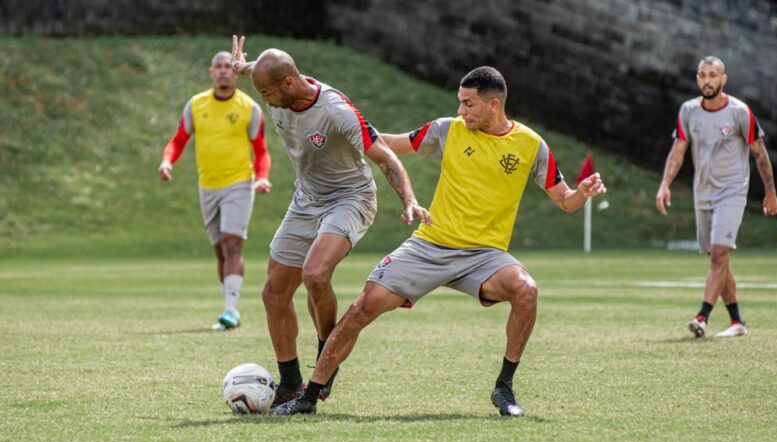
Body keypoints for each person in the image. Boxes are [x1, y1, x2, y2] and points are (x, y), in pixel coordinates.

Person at [271, 66, 608, 417]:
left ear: (494, 105)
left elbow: (565, 201)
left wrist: (581, 194)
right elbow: (391, 143)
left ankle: (504, 387)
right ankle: (310, 395)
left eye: (468, 104)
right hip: (429, 245)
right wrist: (345, 129)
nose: (461, 111)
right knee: (361, 310)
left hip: (484, 256)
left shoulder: (531, 145)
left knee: (527, 290)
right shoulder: (447, 129)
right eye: (460, 103)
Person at [230, 36, 431, 406]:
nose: (265, 100)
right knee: (273, 293)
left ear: (289, 83)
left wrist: (410, 200)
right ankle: (290, 383)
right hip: (306, 199)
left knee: (315, 274)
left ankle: (327, 358)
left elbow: (385, 158)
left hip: (350, 198)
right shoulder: (274, 82)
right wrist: (242, 66)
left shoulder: (336, 110)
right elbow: (255, 70)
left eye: (267, 92)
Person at [655, 56, 777, 338]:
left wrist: (770, 192)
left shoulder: (740, 112)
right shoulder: (688, 111)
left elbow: (760, 154)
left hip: (733, 192)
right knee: (719, 258)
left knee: (719, 255)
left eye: (713, 75)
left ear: (724, 79)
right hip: (704, 193)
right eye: (702, 75)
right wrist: (665, 184)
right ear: (697, 79)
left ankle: (702, 316)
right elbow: (678, 152)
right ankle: (737, 321)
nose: (707, 80)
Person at [159, 51, 272, 331]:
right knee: (220, 249)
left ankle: (230, 310)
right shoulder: (196, 104)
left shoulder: (249, 108)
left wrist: (262, 178)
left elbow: (260, 150)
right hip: (207, 185)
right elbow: (179, 139)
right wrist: (166, 161)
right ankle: (228, 306)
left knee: (233, 243)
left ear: (235, 73)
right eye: (218, 67)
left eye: (227, 67)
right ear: (211, 72)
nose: (223, 71)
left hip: (239, 184)